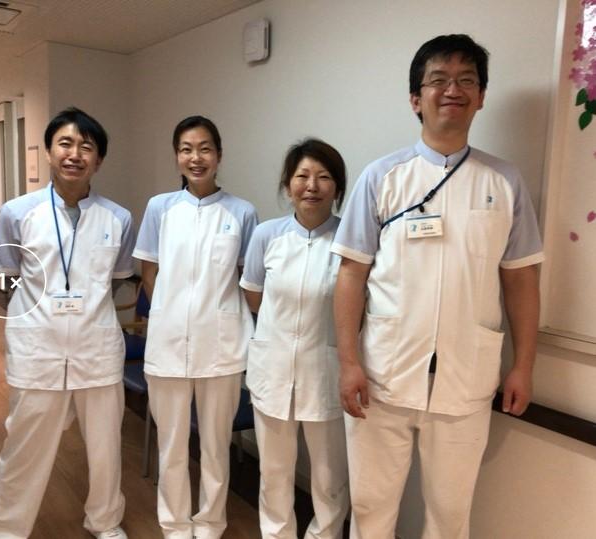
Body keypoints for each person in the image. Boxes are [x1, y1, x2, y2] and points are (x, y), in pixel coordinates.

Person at [331, 34, 544, 539]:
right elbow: (351, 275)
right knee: (371, 509)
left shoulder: (504, 181)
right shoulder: (382, 177)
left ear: (482, 96)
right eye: (439, 80)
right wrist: (348, 362)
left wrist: (523, 365)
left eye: (467, 80)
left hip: (465, 382)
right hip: (382, 377)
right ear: (416, 98)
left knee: (450, 518)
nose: (453, 90)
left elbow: (520, 280)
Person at [0, 107, 135, 539]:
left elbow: (118, 277)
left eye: (86, 147)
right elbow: (5, 268)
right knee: (24, 447)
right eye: (65, 144)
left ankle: (105, 521)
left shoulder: (118, 218)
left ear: (98, 160)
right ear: (49, 152)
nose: (75, 154)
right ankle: (6, 530)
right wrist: (43, 302)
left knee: (106, 448)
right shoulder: (18, 212)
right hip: (39, 348)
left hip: (96, 348)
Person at [133, 115, 258, 539]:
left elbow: (245, 277)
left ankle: (209, 523)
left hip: (221, 345)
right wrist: (167, 310)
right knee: (170, 444)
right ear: (177, 156)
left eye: (205, 148)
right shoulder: (160, 207)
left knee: (215, 445)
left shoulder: (242, 212)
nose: (196, 157)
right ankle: (174, 524)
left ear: (219, 155)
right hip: (167, 343)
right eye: (186, 149)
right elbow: (149, 269)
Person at [240, 139, 351, 539]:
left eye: (324, 177)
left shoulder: (349, 240)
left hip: (326, 371)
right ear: (288, 185)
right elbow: (254, 296)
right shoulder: (266, 235)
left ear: (337, 188)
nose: (312, 186)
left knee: (329, 476)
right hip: (272, 369)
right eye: (302, 176)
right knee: (274, 472)